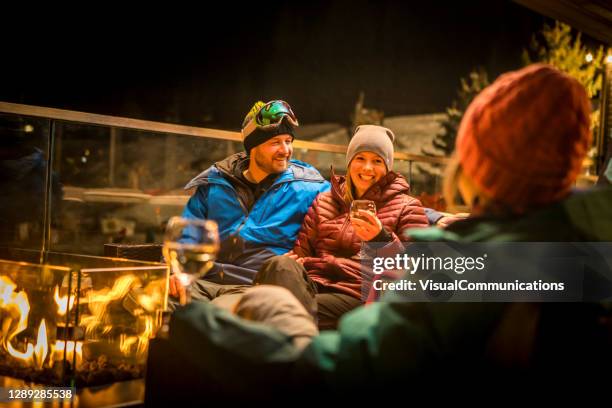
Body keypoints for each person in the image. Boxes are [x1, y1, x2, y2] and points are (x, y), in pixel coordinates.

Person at [155, 64, 612, 399]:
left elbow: (330, 375)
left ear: (481, 165)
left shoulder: (471, 270)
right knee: (269, 290)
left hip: (342, 325)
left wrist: (195, 325)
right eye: (360, 159)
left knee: (218, 333)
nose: (367, 167)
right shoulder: (575, 262)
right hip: (316, 290)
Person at [253, 124, 429, 328]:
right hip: (313, 285)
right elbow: (300, 253)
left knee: (277, 309)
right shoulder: (324, 201)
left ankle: (286, 328)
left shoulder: (408, 207)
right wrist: (293, 261)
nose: (367, 168)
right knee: (278, 264)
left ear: (388, 167)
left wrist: (381, 239)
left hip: (359, 293)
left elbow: (416, 270)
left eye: (377, 161)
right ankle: (293, 329)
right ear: (350, 162)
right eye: (360, 158)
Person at [169, 100, 330, 304]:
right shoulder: (215, 184)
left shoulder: (308, 186)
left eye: (288, 141)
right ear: (253, 147)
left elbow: (341, 225)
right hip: (201, 282)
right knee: (142, 302)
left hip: (255, 286)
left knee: (213, 314)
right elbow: (186, 234)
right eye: (275, 143)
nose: (285, 150)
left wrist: (304, 263)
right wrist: (176, 273)